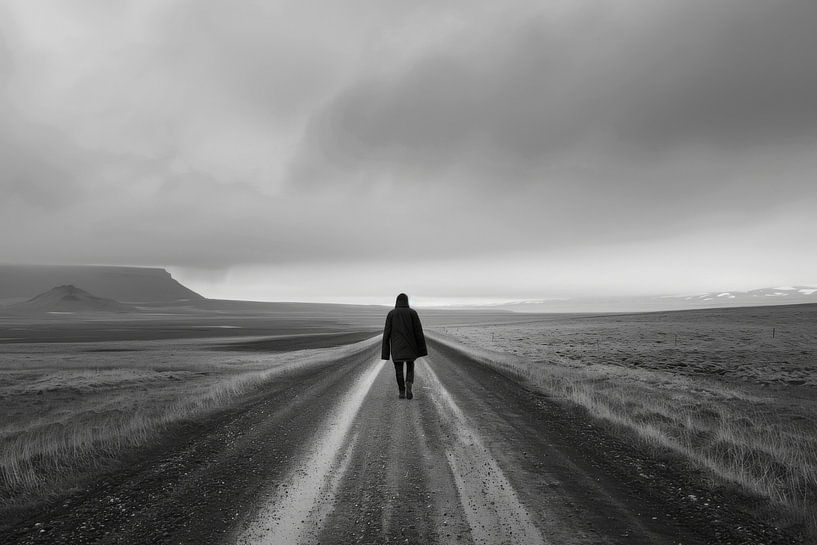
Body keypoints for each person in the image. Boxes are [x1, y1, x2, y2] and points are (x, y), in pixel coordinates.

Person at [381, 293, 428, 399]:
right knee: (410, 365)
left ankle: (402, 391)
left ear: (397, 301)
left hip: (396, 347)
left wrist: (385, 353)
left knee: (398, 369)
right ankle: (409, 383)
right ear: (407, 301)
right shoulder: (413, 313)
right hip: (411, 346)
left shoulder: (391, 314)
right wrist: (421, 349)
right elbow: (418, 332)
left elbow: (386, 334)